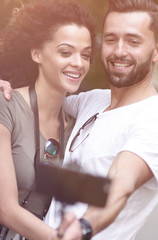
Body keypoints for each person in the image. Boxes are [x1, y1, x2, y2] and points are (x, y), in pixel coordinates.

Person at [1, 0, 158, 240]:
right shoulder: (91, 102)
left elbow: (120, 183)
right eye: (110, 39)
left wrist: (83, 227)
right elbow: (40, 97)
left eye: (133, 41)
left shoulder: (157, 117)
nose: (119, 50)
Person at [0, 0, 96, 239]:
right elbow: (6, 209)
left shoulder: (76, 128)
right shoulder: (6, 106)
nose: (78, 63)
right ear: (36, 53)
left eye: (85, 55)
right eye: (66, 52)